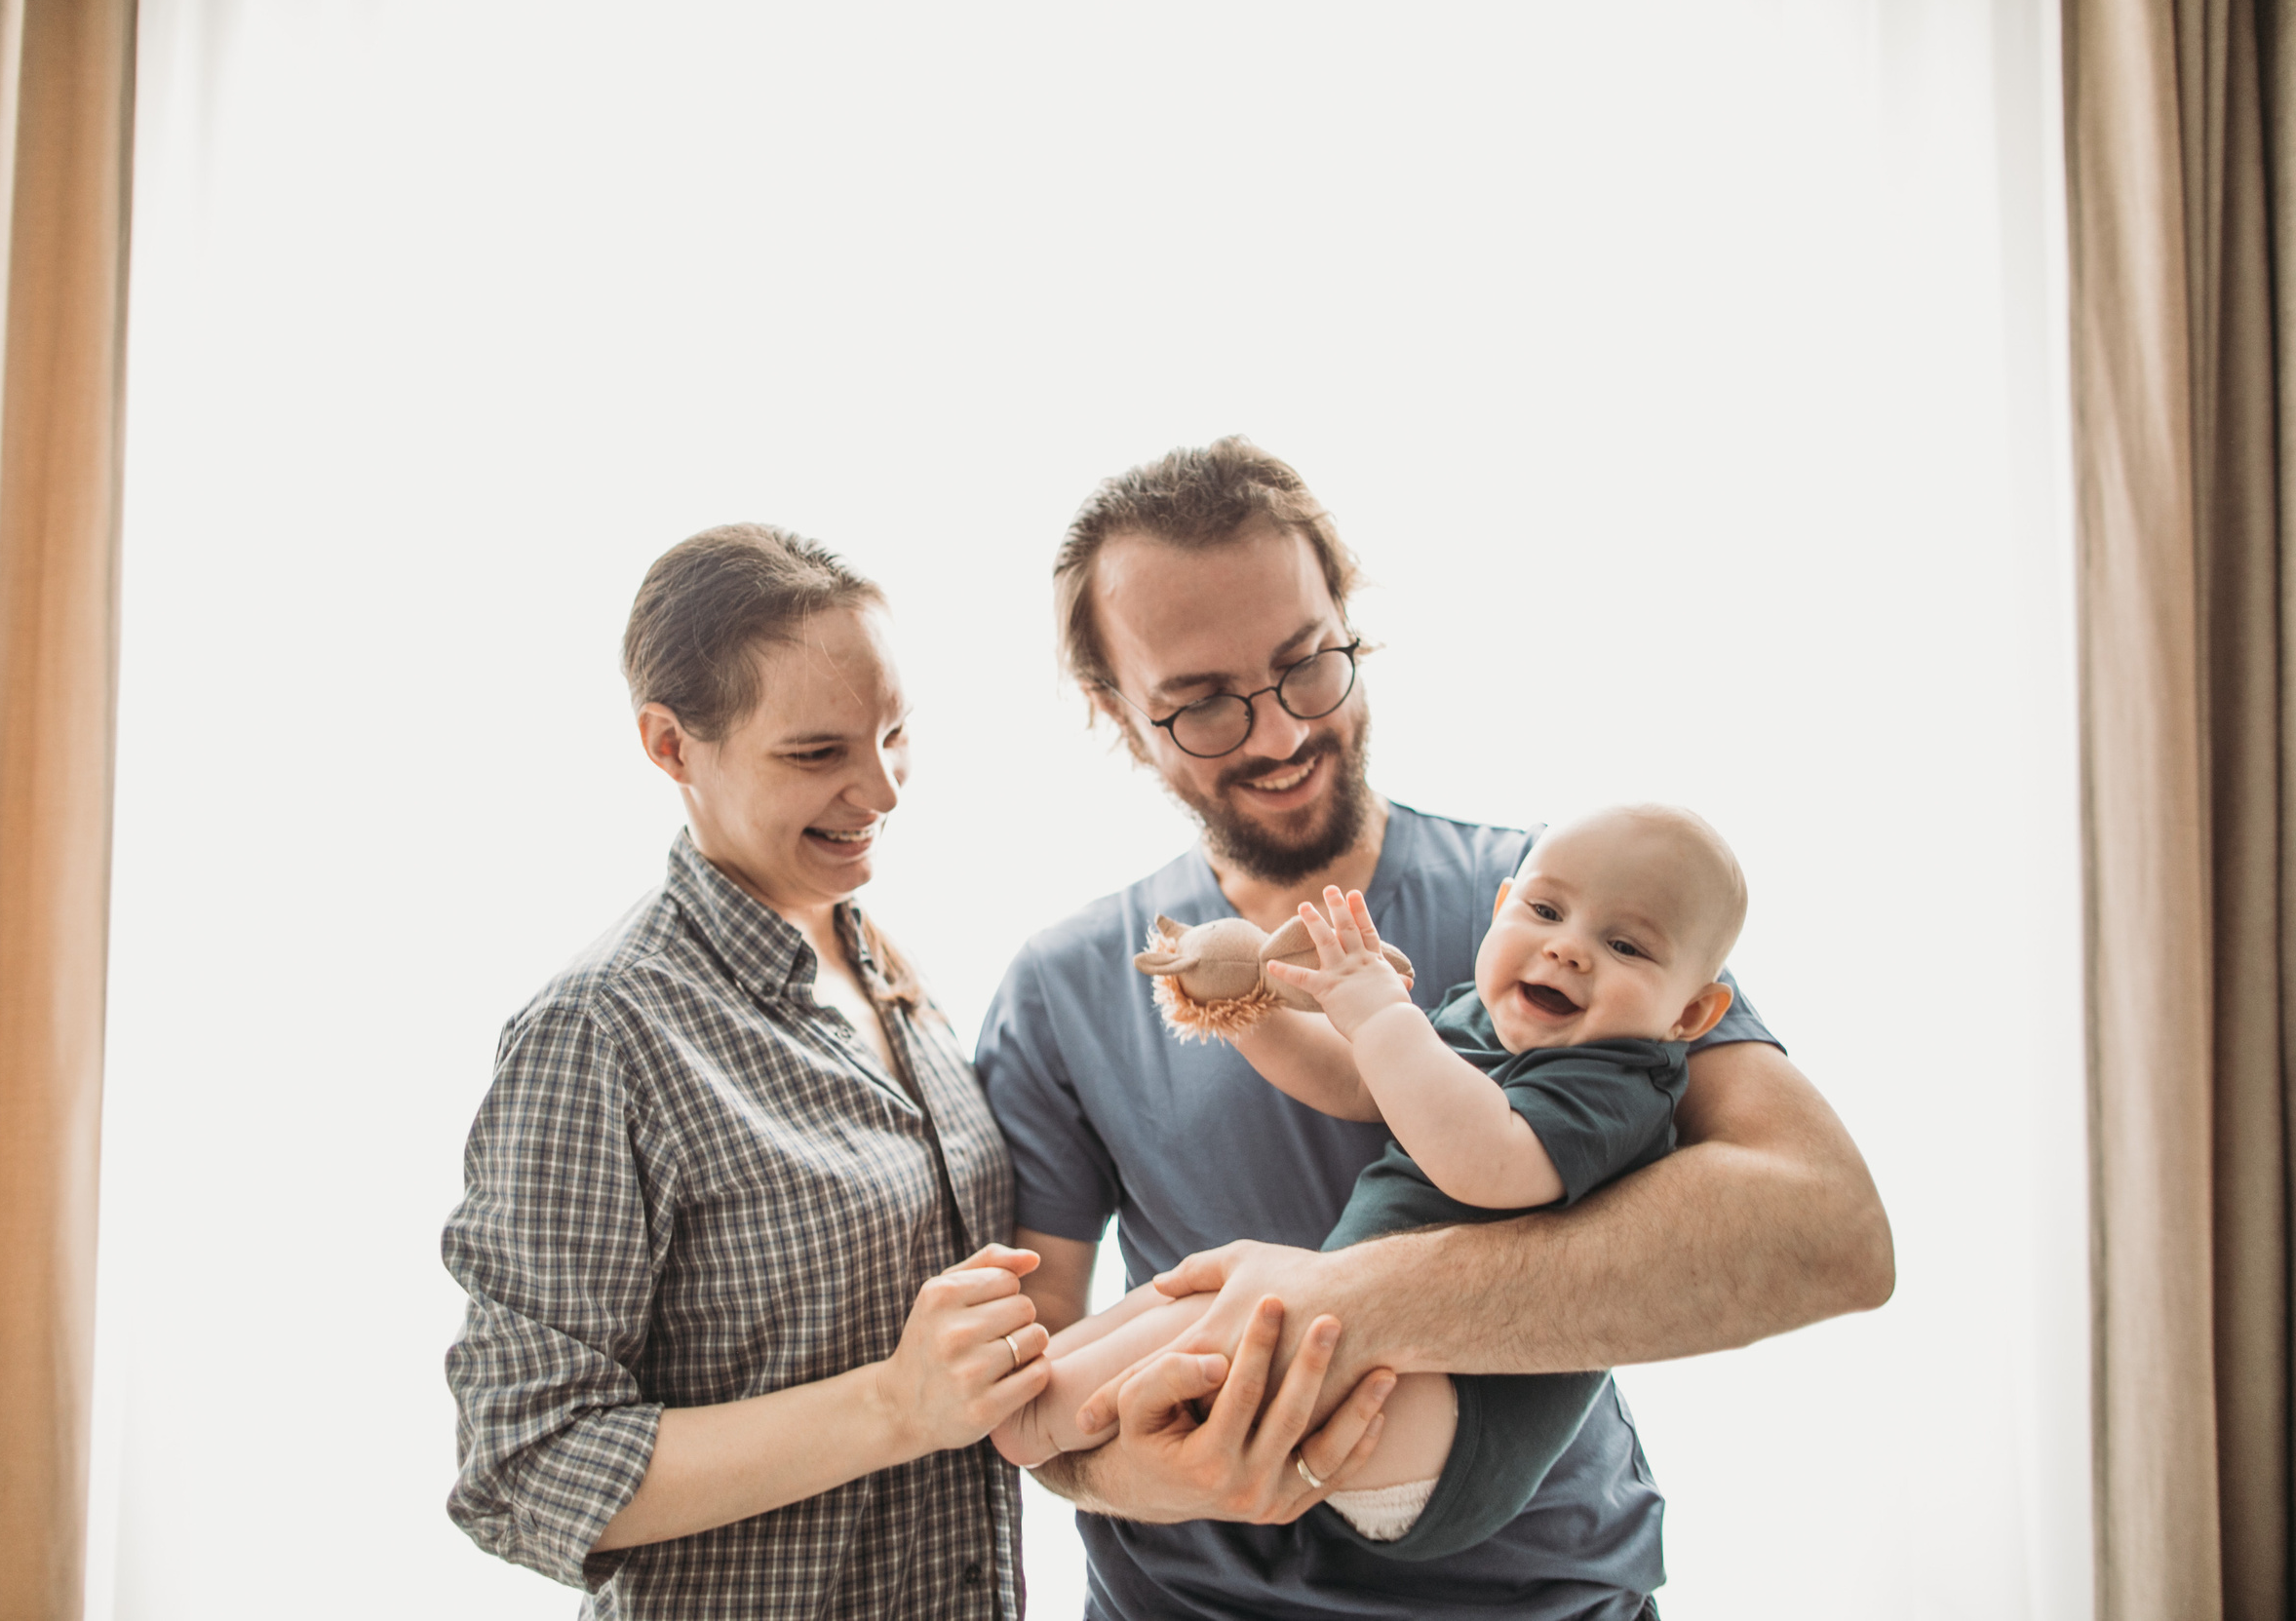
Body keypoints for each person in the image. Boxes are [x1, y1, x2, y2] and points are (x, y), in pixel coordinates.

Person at [973, 438, 1894, 1619]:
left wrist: (1345, 1301)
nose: (1277, 735)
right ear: (1115, 711)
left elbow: (1830, 1234)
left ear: (1351, 626)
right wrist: (1122, 1474)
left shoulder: (1579, 916)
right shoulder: (1063, 986)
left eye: (1307, 666)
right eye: (1200, 704)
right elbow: (1025, 1377)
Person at [444, 524, 1102, 1620]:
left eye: (895, 733)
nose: (882, 791)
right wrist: (895, 1405)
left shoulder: (877, 960)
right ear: (670, 746)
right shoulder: (603, 1031)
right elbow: (523, 1465)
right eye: (816, 754)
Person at [990, 805, 1749, 1557]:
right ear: (1500, 909)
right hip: (1394, 1365)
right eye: (1545, 911)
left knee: (1245, 1309)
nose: (1567, 949)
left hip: (1451, 1421)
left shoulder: (1621, 1084)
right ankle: (1048, 1375)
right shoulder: (1485, 1017)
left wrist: (1383, 1013)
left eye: (1625, 945)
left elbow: (1485, 1159)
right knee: (1190, 1293)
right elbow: (1359, 1081)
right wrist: (1247, 1011)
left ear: (1692, 1012)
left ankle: (1041, 1419)